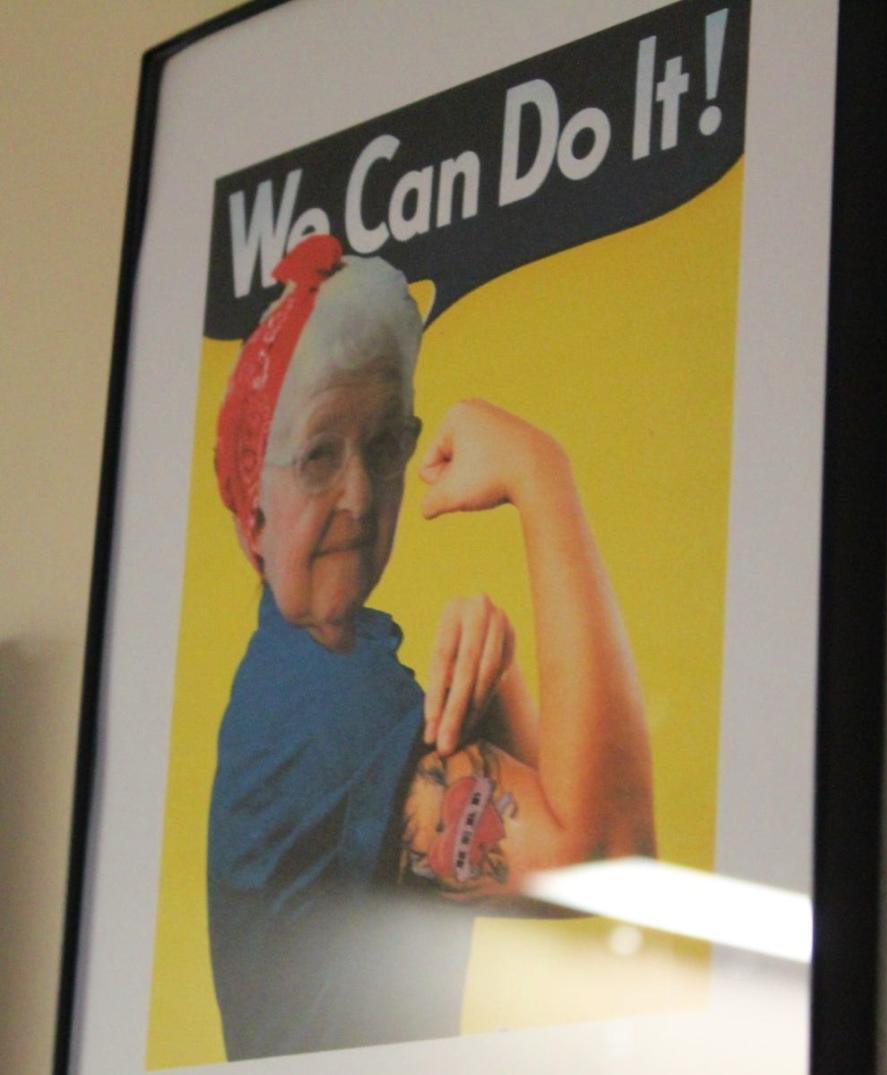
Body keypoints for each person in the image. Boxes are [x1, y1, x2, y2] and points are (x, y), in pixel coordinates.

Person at [207, 233, 655, 1060]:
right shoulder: (332, 715)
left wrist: (499, 679)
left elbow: (542, 892)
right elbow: (613, 861)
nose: (357, 494)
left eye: (384, 447)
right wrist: (539, 470)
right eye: (316, 457)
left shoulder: (312, 665)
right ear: (253, 517)